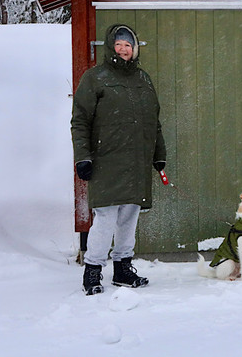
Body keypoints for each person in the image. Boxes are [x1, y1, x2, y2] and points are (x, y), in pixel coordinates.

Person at [71, 24, 167, 295]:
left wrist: (159, 155)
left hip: (136, 162)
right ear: (111, 47)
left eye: (128, 45)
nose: (124, 49)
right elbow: (80, 121)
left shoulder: (143, 79)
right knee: (105, 217)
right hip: (107, 160)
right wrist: (83, 157)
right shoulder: (95, 78)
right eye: (119, 44)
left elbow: (154, 122)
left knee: (129, 216)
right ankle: (93, 270)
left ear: (134, 49)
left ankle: (123, 269)